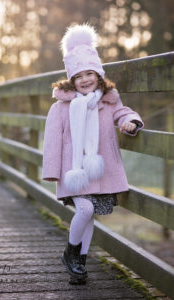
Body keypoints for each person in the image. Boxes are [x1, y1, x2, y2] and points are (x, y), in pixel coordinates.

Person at [42, 24, 144, 284]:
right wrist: (53, 173)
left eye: (90, 73)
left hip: (99, 170)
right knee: (85, 209)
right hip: (72, 171)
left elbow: (123, 113)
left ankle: (79, 263)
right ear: (71, 80)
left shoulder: (109, 101)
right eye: (79, 76)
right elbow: (52, 142)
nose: (85, 79)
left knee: (90, 214)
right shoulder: (61, 107)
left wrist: (130, 120)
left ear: (99, 76)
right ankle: (70, 253)